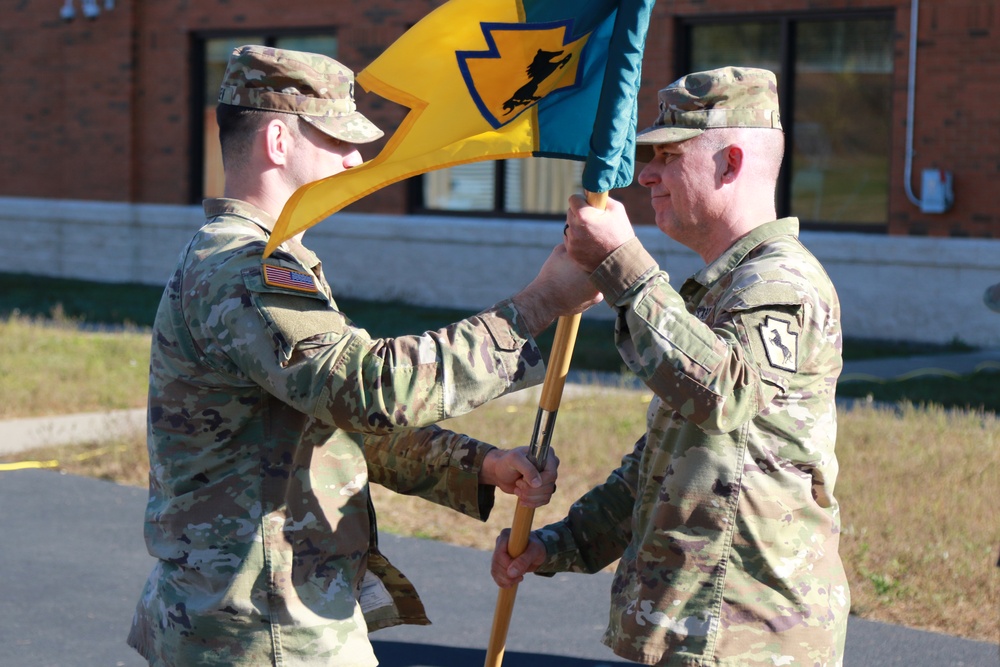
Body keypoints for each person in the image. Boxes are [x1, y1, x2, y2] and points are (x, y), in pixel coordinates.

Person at [127, 45, 600, 666]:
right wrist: (538, 305)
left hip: (254, 614)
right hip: (262, 628)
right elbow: (370, 389)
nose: (355, 158)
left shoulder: (258, 261)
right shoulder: (245, 269)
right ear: (277, 139)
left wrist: (480, 465)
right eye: (336, 138)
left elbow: (328, 419)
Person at [492, 66, 849, 666]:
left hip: (748, 638)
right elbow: (670, 458)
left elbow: (724, 394)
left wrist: (624, 266)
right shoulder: (721, 288)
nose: (643, 174)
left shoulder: (779, 282)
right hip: (700, 629)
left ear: (730, 162)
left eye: (668, 155)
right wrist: (558, 546)